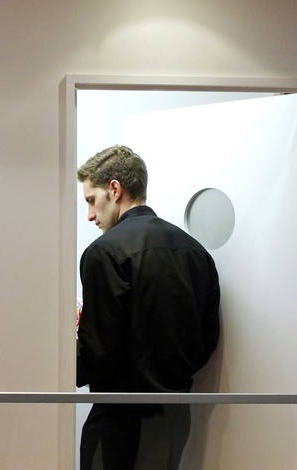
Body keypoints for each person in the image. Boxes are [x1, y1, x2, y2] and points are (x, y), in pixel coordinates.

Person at [76, 145, 221, 470]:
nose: (89, 215)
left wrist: (75, 338)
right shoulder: (195, 252)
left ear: (114, 189)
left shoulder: (104, 253)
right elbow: (207, 339)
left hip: (119, 419)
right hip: (174, 417)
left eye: (90, 200)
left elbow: (99, 355)